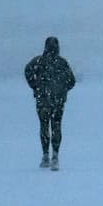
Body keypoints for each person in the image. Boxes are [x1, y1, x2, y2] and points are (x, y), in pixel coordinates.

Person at [24, 35, 76, 170]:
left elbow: (27, 71)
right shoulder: (62, 63)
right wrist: (62, 90)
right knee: (56, 126)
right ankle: (55, 156)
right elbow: (72, 81)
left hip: (43, 100)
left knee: (44, 126)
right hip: (58, 101)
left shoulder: (38, 61)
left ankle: (45, 155)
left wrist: (35, 86)